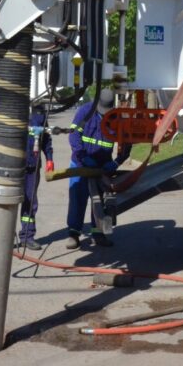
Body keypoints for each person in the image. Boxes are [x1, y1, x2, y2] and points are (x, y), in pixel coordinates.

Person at [66, 88, 131, 249]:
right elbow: (73, 135)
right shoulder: (85, 111)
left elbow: (127, 142)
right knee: (77, 200)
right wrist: (82, 157)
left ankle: (98, 233)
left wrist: (116, 162)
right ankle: (74, 234)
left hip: (102, 166)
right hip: (80, 164)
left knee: (101, 202)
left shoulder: (116, 117)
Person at [17, 106, 54, 251]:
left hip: (32, 165)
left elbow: (46, 139)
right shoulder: (13, 107)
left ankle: (27, 236)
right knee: (5, 200)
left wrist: (49, 158)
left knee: (30, 201)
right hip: (12, 166)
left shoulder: (39, 114)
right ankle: (1, 237)